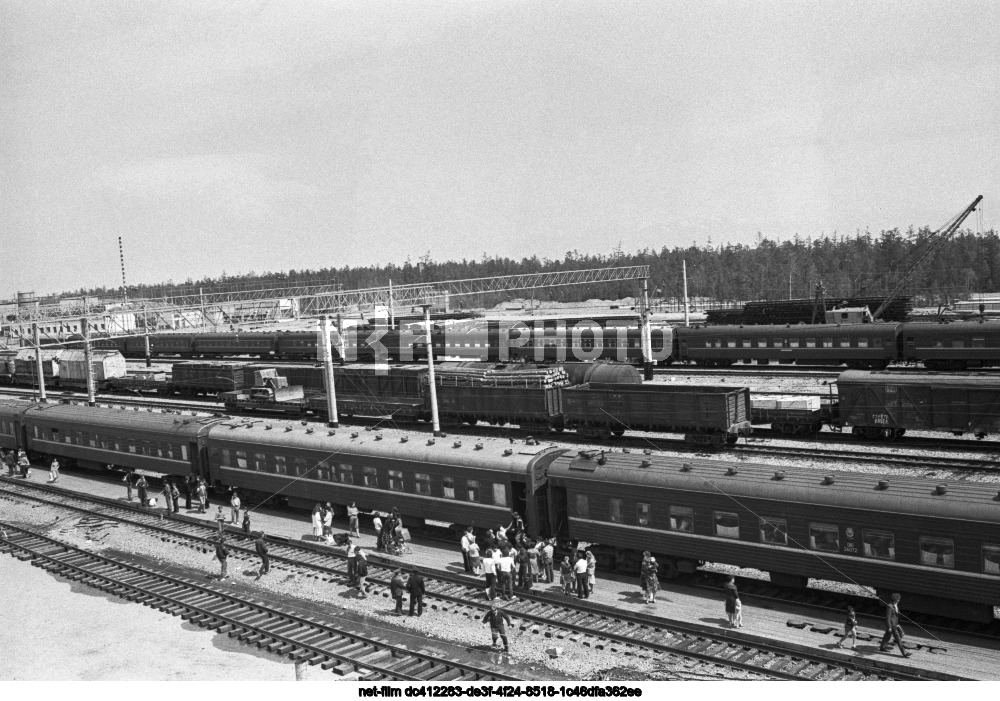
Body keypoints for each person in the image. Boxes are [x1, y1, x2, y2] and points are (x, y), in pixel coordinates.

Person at [879, 593, 910, 657]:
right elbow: (887, 617)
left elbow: (896, 615)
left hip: (895, 624)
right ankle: (904, 653)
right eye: (898, 599)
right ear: (895, 600)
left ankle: (882, 647)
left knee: (887, 635)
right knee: (898, 638)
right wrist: (889, 627)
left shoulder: (895, 605)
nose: (899, 600)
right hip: (892, 625)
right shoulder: (890, 606)